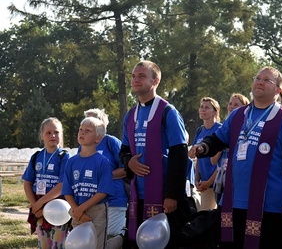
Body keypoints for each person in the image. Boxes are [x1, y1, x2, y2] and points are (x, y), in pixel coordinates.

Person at [190, 66, 282, 249]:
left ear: (278, 90)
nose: (260, 81)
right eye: (257, 78)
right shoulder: (238, 115)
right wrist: (202, 147)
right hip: (233, 202)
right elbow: (218, 139)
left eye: (267, 80)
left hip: (270, 207)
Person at [120, 60, 190, 248]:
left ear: (155, 81)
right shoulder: (131, 114)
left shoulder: (168, 112)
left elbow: (179, 154)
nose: (135, 79)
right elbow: (124, 150)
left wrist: (172, 194)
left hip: (164, 197)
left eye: (142, 76)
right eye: (134, 76)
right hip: (138, 196)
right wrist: (128, 163)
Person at [62, 117, 122, 249]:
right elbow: (67, 190)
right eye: (80, 129)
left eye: (88, 131)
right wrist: (77, 210)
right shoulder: (71, 162)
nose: (82, 133)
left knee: (97, 244)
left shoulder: (103, 162)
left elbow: (103, 191)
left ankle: (120, 240)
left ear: (98, 139)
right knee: (80, 244)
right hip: (76, 208)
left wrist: (81, 209)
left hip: (97, 209)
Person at [22, 117, 71, 248]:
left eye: (56, 132)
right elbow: (27, 183)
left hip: (58, 206)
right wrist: (35, 205)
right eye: (48, 133)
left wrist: (38, 204)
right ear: (42, 136)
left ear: (61, 135)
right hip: (39, 208)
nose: (53, 135)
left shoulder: (64, 157)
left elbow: (62, 186)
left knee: (58, 244)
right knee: (43, 244)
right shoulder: (36, 156)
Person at [82, 108, 127, 238]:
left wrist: (102, 178)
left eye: (93, 120)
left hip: (113, 202)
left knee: (109, 239)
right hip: (89, 202)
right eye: (85, 121)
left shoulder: (111, 142)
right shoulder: (83, 145)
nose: (88, 124)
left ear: (103, 124)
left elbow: (126, 169)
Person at [213, 93, 250, 203]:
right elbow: (213, 160)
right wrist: (222, 142)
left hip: (239, 180)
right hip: (221, 180)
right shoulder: (222, 129)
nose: (231, 107)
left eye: (236, 104)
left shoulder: (247, 129)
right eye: (230, 103)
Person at [188, 97, 222, 211]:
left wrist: (209, 182)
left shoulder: (219, 130)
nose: (203, 110)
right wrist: (197, 180)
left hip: (216, 184)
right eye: (201, 107)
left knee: (206, 218)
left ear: (215, 111)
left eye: (207, 107)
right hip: (203, 185)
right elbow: (198, 159)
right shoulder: (200, 131)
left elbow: (222, 162)